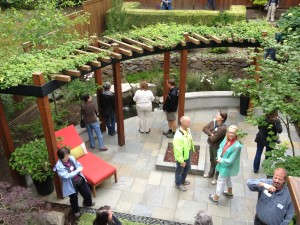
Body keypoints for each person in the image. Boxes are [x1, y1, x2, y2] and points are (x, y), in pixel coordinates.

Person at [53, 147, 95, 217]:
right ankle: (75, 211)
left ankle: (87, 203)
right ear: (61, 158)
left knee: (87, 192)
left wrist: (79, 167)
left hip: (79, 179)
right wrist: (77, 170)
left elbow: (77, 164)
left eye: (68, 155)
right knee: (74, 198)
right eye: (66, 157)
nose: (68, 157)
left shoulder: (71, 158)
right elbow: (66, 176)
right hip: (71, 185)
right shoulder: (59, 167)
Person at [208, 125, 242, 205]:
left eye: (233, 133)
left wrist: (221, 160)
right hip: (223, 164)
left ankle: (215, 198)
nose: (231, 134)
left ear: (236, 133)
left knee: (220, 182)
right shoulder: (226, 139)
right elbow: (220, 147)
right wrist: (219, 155)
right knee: (228, 178)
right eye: (229, 132)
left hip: (226, 166)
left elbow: (230, 160)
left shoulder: (237, 146)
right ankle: (229, 193)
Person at [202, 112, 228, 185]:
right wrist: (211, 133)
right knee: (211, 159)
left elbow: (213, 139)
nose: (216, 115)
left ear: (222, 118)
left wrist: (210, 133)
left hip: (217, 147)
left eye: (218, 115)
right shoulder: (213, 122)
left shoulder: (223, 128)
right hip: (211, 145)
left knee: (217, 161)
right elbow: (204, 128)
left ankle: (216, 177)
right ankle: (211, 173)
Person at [173, 116, 195, 191]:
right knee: (179, 171)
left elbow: (190, 140)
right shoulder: (178, 136)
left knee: (188, 167)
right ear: (183, 123)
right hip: (182, 156)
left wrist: (192, 148)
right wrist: (181, 161)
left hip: (187, 153)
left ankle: (182, 180)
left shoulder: (187, 129)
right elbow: (178, 150)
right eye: (188, 122)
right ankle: (178, 184)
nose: (190, 123)